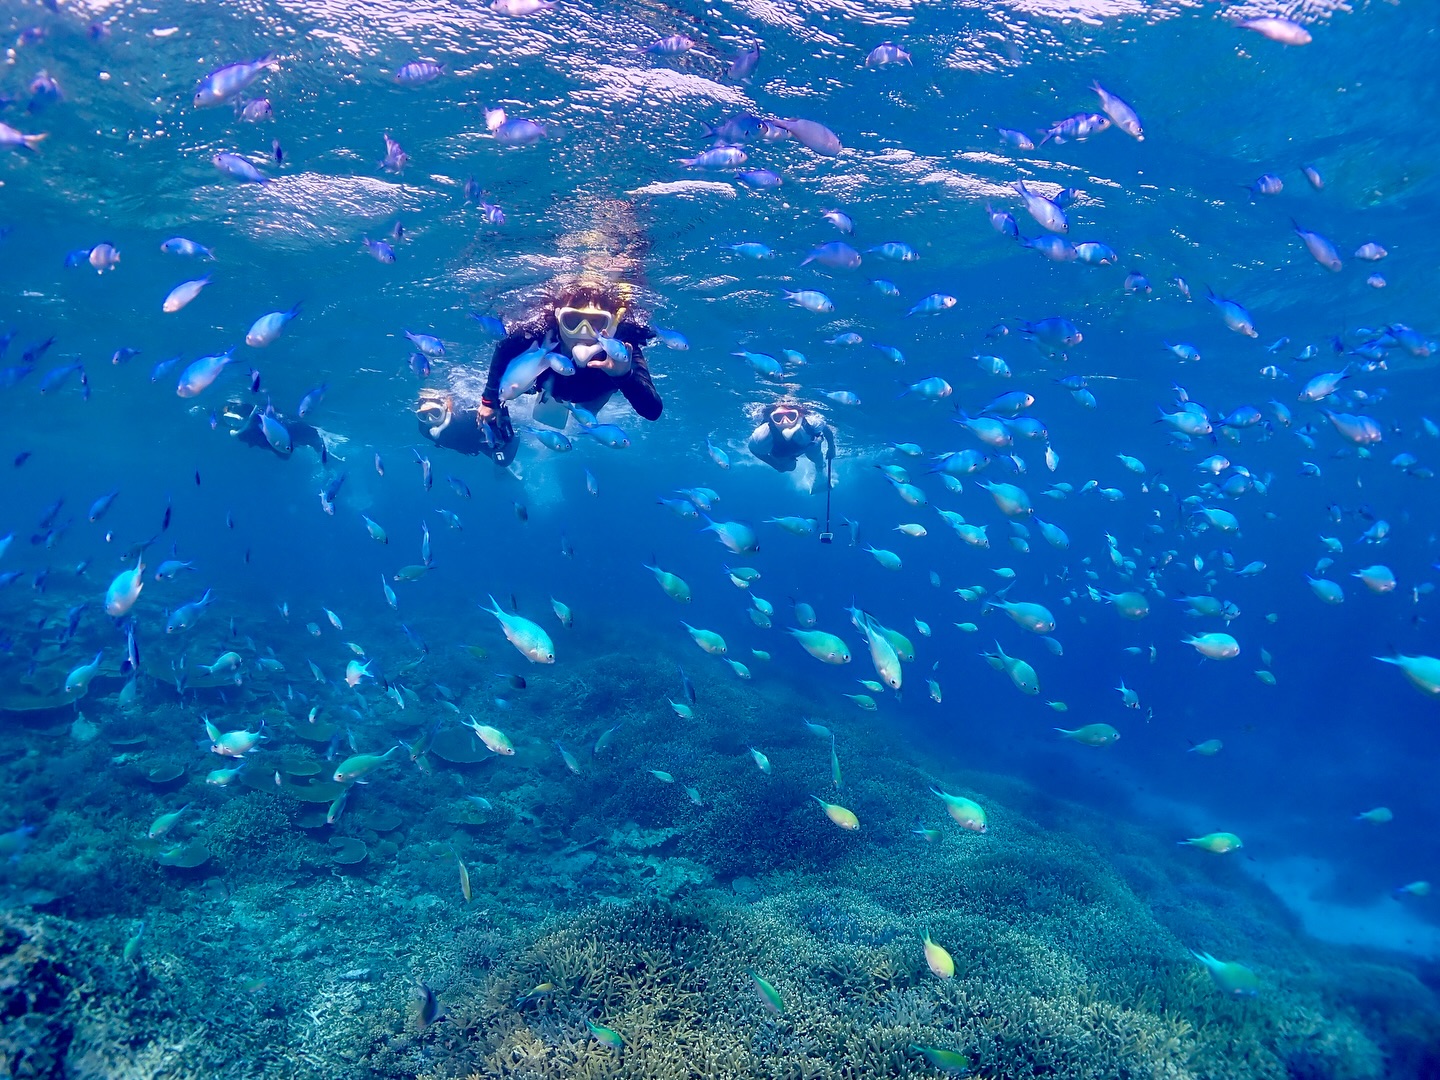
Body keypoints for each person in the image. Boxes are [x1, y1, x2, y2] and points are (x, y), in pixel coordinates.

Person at [748, 399, 836, 491]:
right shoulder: (761, 436)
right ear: (771, 420)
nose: (785, 422)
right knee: (788, 467)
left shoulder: (811, 422)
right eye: (778, 418)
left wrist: (831, 448)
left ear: (799, 416)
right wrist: (773, 463)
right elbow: (753, 449)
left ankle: (820, 472)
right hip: (783, 451)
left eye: (791, 416)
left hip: (809, 444)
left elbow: (826, 429)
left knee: (815, 456)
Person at [221, 399, 324, 457]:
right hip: (279, 436)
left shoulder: (246, 426)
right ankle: (320, 447)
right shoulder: (243, 432)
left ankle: (320, 446)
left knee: (307, 434)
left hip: (285, 431)